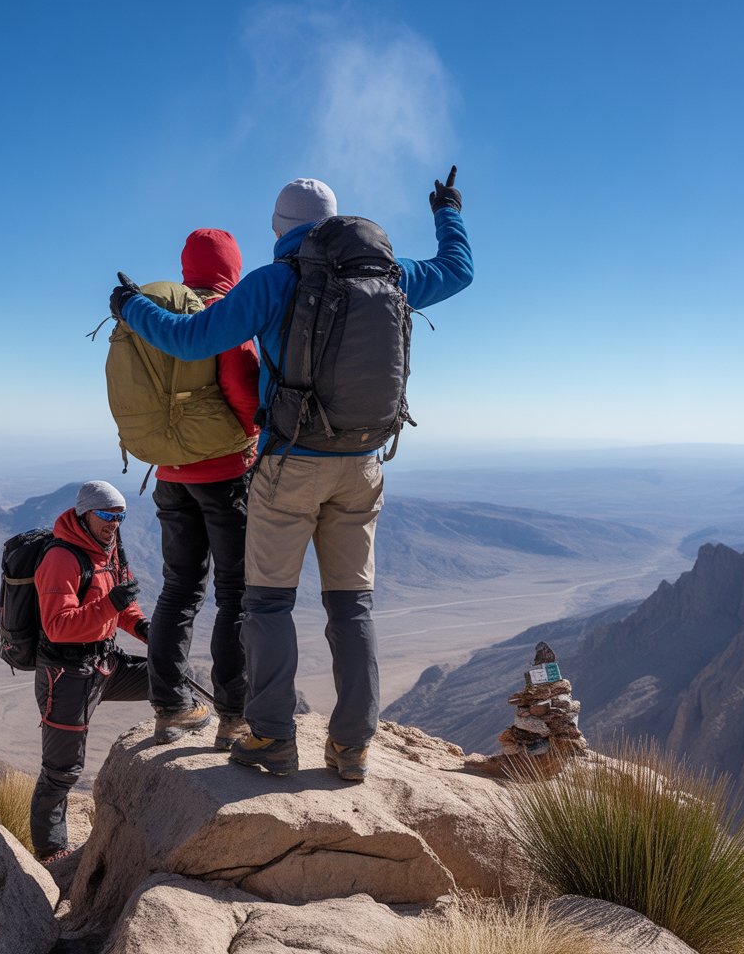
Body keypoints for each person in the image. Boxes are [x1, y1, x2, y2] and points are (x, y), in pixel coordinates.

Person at [109, 168, 473, 781]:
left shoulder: (277, 280)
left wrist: (131, 306)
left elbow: (193, 338)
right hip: (362, 464)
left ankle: (273, 738)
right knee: (352, 605)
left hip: (290, 464)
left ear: (279, 229)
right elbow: (458, 269)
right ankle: (353, 747)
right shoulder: (388, 272)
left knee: (268, 603)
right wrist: (448, 209)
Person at [145, 229, 260, 749]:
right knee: (235, 594)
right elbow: (242, 386)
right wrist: (253, 436)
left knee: (179, 589)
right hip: (224, 476)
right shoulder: (226, 316)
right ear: (232, 267)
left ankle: (171, 709)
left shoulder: (162, 319)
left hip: (170, 475)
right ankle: (234, 716)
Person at [31, 479, 150, 863]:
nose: (114, 523)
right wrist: (110, 605)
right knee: (61, 771)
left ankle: (180, 724)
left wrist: (144, 629)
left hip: (104, 662)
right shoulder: (61, 558)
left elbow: (124, 605)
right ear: (85, 514)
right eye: (106, 515)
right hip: (67, 676)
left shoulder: (111, 550)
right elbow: (58, 626)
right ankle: (51, 852)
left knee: (166, 675)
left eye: (120, 516)